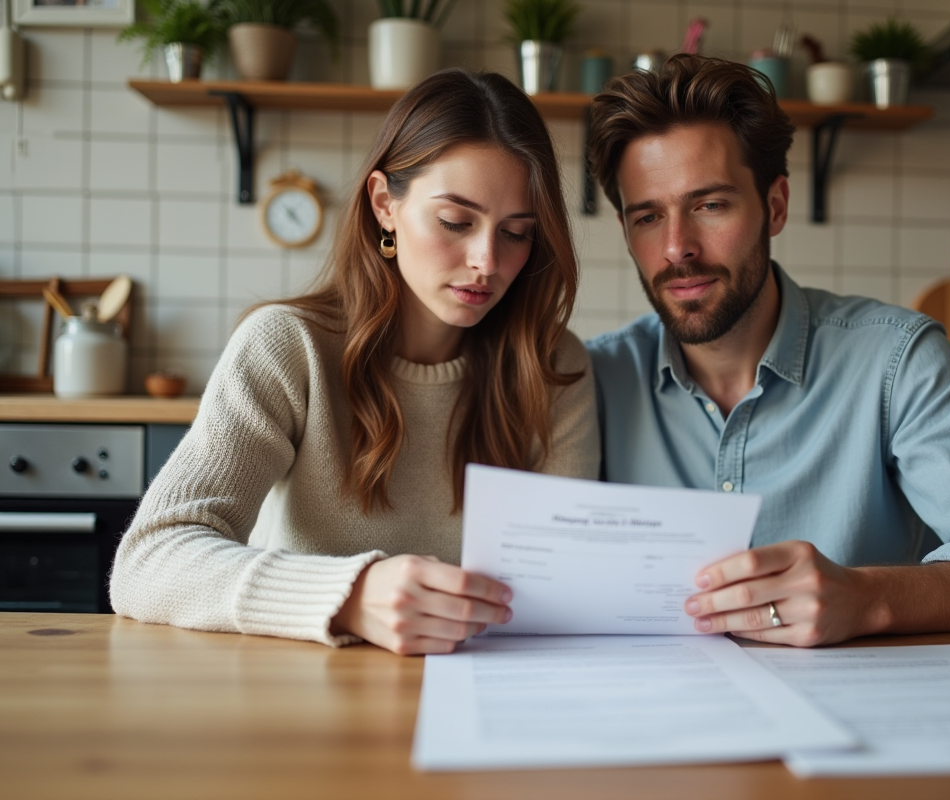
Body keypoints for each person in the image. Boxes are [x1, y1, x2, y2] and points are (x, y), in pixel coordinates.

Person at [585, 55, 950, 647]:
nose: (677, 247)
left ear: (775, 206)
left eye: (710, 205)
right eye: (648, 216)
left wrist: (870, 598)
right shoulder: (592, 379)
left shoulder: (896, 361)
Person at [110, 70, 599, 655]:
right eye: (455, 223)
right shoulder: (287, 347)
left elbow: (565, 586)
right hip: (303, 705)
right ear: (384, 205)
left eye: (517, 233)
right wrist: (353, 594)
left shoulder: (551, 365)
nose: (486, 261)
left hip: (487, 698)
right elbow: (149, 559)